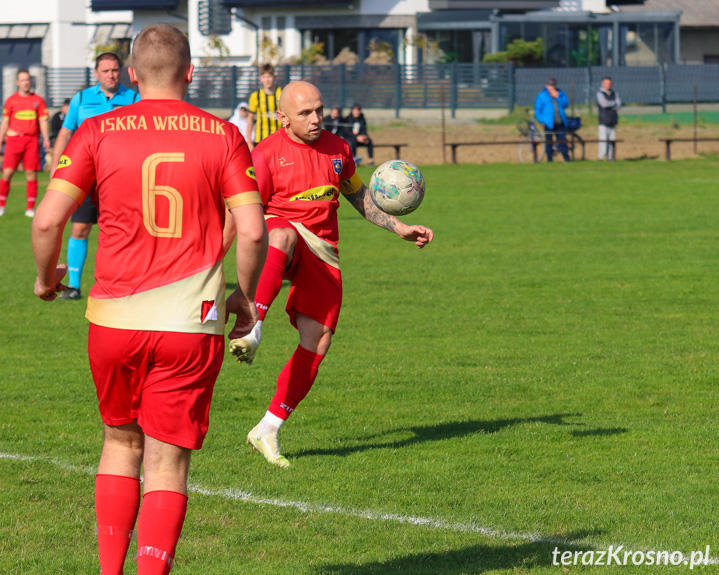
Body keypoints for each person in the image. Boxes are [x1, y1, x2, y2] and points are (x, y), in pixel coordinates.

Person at [31, 23, 267, 575]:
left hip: (114, 319)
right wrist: (245, 297)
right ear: (191, 73)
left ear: (132, 75)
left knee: (119, 444)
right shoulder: (223, 135)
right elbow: (253, 232)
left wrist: (48, 279)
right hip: (193, 319)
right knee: (167, 462)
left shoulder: (96, 130)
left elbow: (46, 223)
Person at [224, 81, 434, 468]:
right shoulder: (267, 153)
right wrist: (215, 257)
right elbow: (243, 211)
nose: (316, 118)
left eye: (319, 110)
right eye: (305, 113)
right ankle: (254, 323)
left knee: (317, 341)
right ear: (281, 117)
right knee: (284, 232)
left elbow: (359, 196)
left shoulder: (339, 150)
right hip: (281, 235)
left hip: (323, 249)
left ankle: (267, 429)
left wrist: (398, 227)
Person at [51, 53, 140, 301]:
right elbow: (65, 134)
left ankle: (125, 284)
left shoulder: (134, 98)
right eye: (106, 71)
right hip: (87, 176)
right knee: (79, 228)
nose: (111, 75)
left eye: (115, 70)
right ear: (96, 73)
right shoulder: (82, 98)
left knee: (123, 231)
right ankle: (74, 286)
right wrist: (56, 167)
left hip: (121, 178)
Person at [0, 69, 50, 217]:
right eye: (22, 80)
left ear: (31, 81)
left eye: (28, 80)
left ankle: (30, 208)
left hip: (31, 140)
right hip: (13, 140)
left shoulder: (38, 101)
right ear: (17, 82)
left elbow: (43, 121)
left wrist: (46, 139)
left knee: (31, 174)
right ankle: (1, 206)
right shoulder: (11, 101)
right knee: (7, 172)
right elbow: (4, 123)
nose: (25, 83)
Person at [534, 77, 570, 162]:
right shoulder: (542, 95)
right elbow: (538, 109)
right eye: (550, 85)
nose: (551, 87)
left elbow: (565, 104)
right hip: (548, 123)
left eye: (553, 85)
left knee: (562, 140)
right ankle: (549, 159)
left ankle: (567, 158)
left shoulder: (560, 93)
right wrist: (541, 120)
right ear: (547, 86)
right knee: (548, 141)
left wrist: (557, 97)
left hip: (560, 121)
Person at [247, 64, 282, 149]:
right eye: (264, 77)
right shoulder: (256, 96)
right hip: (261, 139)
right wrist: (249, 141)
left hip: (279, 139)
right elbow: (250, 119)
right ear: (260, 79)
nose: (267, 80)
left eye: (269, 76)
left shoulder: (282, 93)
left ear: (274, 77)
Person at [596, 76, 622, 161]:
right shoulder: (600, 93)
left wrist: (610, 103)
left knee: (612, 140)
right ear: (602, 84)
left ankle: (611, 157)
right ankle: (601, 157)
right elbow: (604, 104)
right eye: (606, 83)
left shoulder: (614, 93)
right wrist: (613, 104)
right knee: (603, 140)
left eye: (609, 83)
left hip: (613, 119)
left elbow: (619, 104)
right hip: (603, 120)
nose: (608, 85)